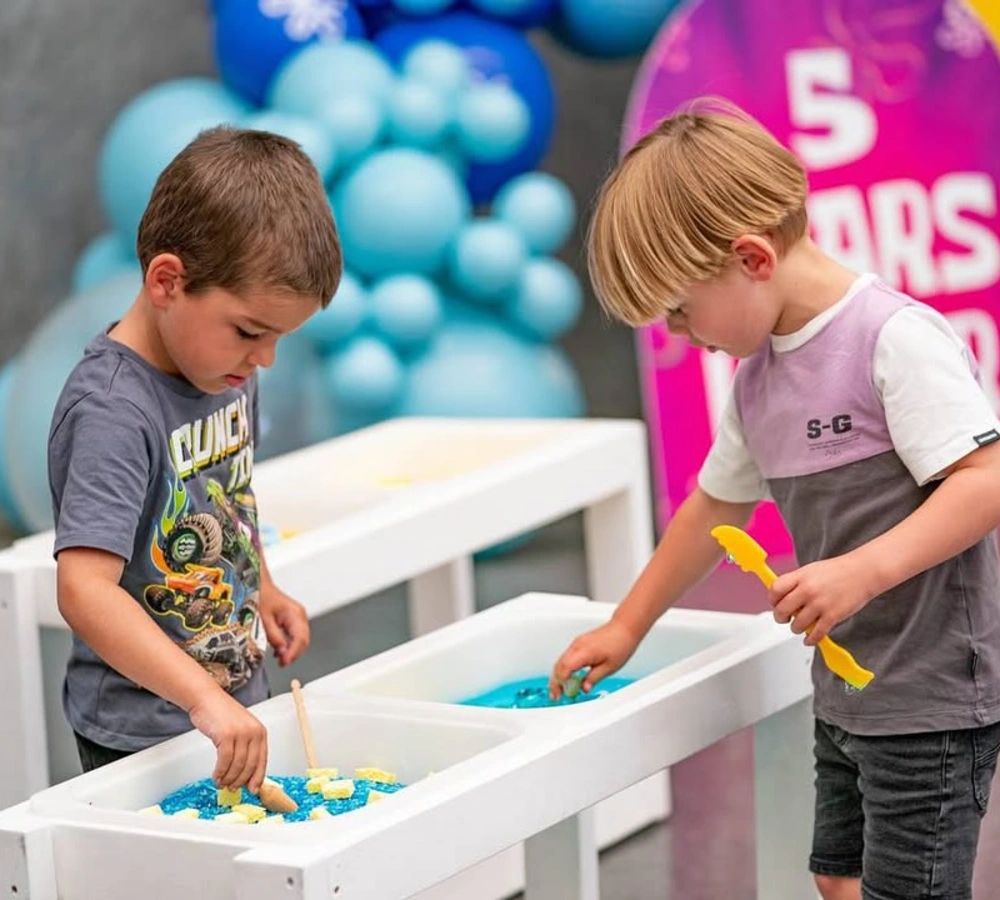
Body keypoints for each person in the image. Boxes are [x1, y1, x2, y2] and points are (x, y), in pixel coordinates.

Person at [549, 98, 1000, 900]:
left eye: (681, 310)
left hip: (929, 700)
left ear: (752, 258)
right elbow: (712, 511)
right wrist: (627, 623)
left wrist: (859, 573)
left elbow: (985, 482)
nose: (679, 335)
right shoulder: (756, 380)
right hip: (850, 689)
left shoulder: (893, 340)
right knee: (837, 877)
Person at [49, 126, 342, 795]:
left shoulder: (225, 369)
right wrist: (203, 701)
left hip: (229, 704)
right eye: (249, 331)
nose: (263, 359)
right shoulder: (112, 411)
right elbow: (85, 588)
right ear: (167, 281)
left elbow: (225, 494)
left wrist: (262, 586)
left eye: (276, 339)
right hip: (145, 729)